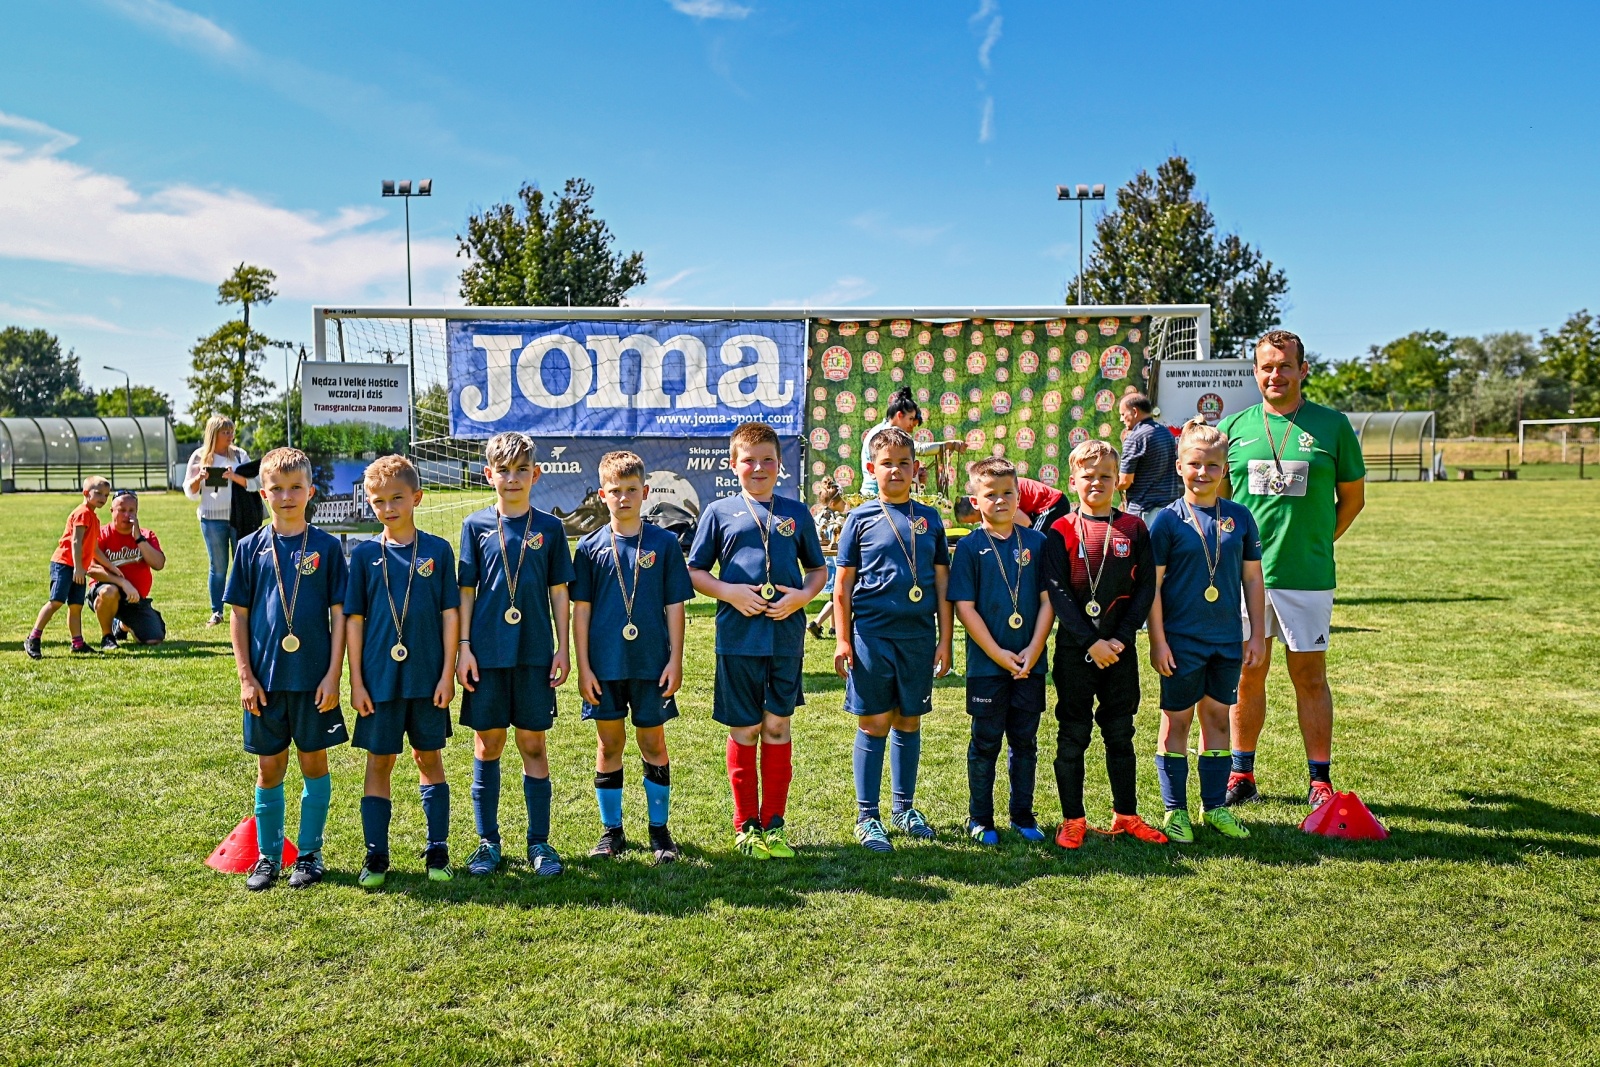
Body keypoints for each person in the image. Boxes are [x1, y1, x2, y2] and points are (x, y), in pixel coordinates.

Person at [1217, 330, 1366, 810]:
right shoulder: (1235, 428)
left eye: (1284, 366)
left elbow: (1353, 500)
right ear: (1254, 372)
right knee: (1246, 673)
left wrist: (1317, 543)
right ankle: (1241, 773)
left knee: (1309, 675)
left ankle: (1319, 780)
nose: (1274, 374)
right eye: (1265, 366)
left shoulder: (1333, 425)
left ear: (1303, 370)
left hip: (1307, 576)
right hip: (1245, 577)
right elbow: (1220, 502)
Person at [689, 423, 828, 859]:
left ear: (780, 465)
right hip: (738, 639)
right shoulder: (718, 512)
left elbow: (818, 571)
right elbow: (695, 572)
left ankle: (775, 825)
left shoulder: (796, 512)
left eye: (768, 459)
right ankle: (745, 825)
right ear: (733, 465)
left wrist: (802, 599)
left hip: (785, 637)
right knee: (745, 728)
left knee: (777, 726)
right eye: (748, 459)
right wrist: (729, 591)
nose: (758, 467)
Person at [224, 447, 349, 891]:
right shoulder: (249, 547)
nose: (287, 495)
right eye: (277, 488)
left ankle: (310, 855)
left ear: (311, 492)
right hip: (264, 682)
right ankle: (268, 857)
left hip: (315, 682)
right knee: (269, 769)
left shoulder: (328, 547)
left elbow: (340, 616)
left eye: (296, 487)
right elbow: (238, 615)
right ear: (263, 493)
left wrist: (334, 675)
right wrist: (245, 675)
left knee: (314, 762)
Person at [455, 432, 573, 878]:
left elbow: (558, 592)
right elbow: (466, 592)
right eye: (503, 470)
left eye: (521, 469)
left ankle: (539, 842)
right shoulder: (475, 526)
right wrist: (464, 649)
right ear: (489, 475)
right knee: (487, 744)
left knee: (532, 744)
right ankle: (487, 842)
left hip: (534, 654)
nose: (512, 478)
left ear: (536, 474)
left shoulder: (550, 528)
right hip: (484, 654)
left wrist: (563, 647)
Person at [1040, 440, 1167, 849]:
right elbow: (1058, 592)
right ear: (1072, 479)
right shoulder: (1059, 530)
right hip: (1077, 652)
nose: (1097, 482)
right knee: (1073, 732)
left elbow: (1146, 588)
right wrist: (1091, 641)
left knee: (1120, 731)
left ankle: (1126, 814)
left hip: (1120, 651)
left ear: (1118, 481)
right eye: (1088, 476)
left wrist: (1120, 638)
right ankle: (1072, 819)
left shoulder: (1134, 528)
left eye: (1105, 476)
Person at [833, 425, 953, 852]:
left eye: (904, 464)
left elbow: (942, 586)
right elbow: (842, 588)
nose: (897, 471)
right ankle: (867, 817)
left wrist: (945, 640)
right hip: (872, 636)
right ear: (871, 468)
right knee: (875, 721)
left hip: (919, 637)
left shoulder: (930, 518)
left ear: (916, 469)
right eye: (887, 464)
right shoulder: (859, 518)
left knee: (909, 719)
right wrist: (842, 641)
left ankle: (904, 808)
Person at [573, 451, 695, 864]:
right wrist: (584, 666)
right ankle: (612, 832)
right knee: (609, 744)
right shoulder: (589, 548)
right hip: (604, 667)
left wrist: (675, 660)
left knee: (652, 741)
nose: (623, 498)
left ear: (644, 492)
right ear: (602, 495)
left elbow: (676, 607)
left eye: (630, 491)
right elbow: (582, 612)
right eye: (614, 491)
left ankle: (660, 832)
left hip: (650, 664)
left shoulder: (663, 544)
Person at [1146, 419, 1266, 843]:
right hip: (1180, 641)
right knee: (1176, 721)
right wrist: (1157, 640)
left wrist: (1255, 634)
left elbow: (1253, 579)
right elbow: (1153, 587)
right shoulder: (1166, 521)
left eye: (1213, 466)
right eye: (1195, 464)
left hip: (1225, 640)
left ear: (1225, 469)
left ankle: (1214, 806)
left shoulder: (1239, 517)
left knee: (1217, 718)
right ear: (1180, 466)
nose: (1203, 473)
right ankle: (1174, 810)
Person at [345, 456, 460, 887]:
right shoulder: (363, 556)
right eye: (378, 501)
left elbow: (451, 615)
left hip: (428, 677)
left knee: (428, 757)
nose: (388, 508)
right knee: (380, 761)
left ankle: (437, 850)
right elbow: (353, 622)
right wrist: (356, 681)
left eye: (397, 499)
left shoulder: (437, 551)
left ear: (417, 498)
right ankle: (376, 855)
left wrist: (446, 673)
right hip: (378, 680)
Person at [945, 457, 1054, 845]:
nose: (1002, 500)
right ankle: (981, 819)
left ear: (1019, 494)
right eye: (991, 494)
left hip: (1030, 663)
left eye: (1009, 492)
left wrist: (1033, 649)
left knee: (1025, 741)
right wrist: (997, 654)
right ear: (976, 501)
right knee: (986, 741)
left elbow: (1047, 601)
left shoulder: (1039, 544)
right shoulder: (970, 548)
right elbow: (965, 608)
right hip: (987, 668)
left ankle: (1023, 815)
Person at [24, 476, 121, 658]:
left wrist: (111, 567)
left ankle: (77, 643)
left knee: (76, 606)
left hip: (78, 568)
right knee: (56, 601)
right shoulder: (82, 513)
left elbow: (94, 550)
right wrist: (78, 568)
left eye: (106, 495)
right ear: (86, 493)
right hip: (65, 565)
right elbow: (76, 542)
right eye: (98, 493)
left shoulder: (94, 517)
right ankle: (33, 638)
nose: (102, 497)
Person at [185, 416, 258, 626]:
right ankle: (217, 611)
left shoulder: (239, 455)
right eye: (225, 432)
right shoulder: (199, 456)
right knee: (218, 567)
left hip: (239, 517)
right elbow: (190, 491)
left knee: (242, 564)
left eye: (231, 431)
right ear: (213, 433)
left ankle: (245, 608)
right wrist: (199, 478)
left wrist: (234, 477)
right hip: (211, 519)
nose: (230, 436)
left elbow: (255, 483)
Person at [88, 489, 168, 649]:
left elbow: (158, 564)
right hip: (105, 593)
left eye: (131, 511)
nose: (127, 515)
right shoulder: (101, 535)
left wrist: (138, 538)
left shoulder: (146, 535)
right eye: (122, 510)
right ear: (111, 511)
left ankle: (123, 625)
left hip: (135, 599)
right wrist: (122, 582)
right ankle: (107, 636)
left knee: (153, 639)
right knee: (109, 591)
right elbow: (90, 568)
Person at [858, 387, 965, 498]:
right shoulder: (887, 434)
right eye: (910, 418)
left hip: (871, 494)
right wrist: (950, 445)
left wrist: (914, 476)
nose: (911, 425)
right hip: (878, 496)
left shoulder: (878, 429)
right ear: (899, 415)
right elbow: (919, 449)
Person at [1116, 392, 1182, 523]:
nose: (1121, 419)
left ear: (1134, 411)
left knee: (1143, 544)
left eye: (1123, 414)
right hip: (1170, 510)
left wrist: (1105, 483)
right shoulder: (1165, 432)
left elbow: (1125, 481)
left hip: (1145, 511)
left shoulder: (1135, 437)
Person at [953, 474, 1071, 532]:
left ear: (976, 506)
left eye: (974, 520)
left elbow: (1025, 523)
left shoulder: (996, 501)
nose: (978, 522)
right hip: (1040, 508)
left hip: (1052, 504)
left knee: (1035, 542)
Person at [808, 477, 847, 640]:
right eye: (841, 501)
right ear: (832, 503)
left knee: (834, 595)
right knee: (837, 597)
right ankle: (816, 623)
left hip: (828, 561)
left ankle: (833, 627)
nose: (844, 503)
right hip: (835, 562)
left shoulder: (822, 515)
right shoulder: (833, 519)